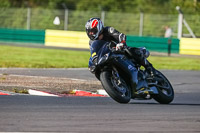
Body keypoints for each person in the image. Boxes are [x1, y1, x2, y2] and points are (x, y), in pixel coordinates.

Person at [85, 18, 156, 77]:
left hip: (120, 50)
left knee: (130, 51)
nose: (91, 33)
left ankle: (149, 67)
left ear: (99, 28)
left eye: (93, 31)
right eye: (89, 32)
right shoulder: (91, 42)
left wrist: (121, 43)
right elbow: (94, 52)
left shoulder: (108, 30)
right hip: (108, 56)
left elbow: (120, 35)